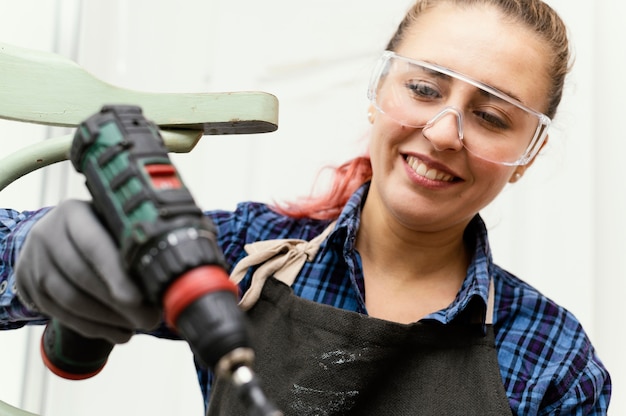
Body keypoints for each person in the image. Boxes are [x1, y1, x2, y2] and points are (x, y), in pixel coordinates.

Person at [0, 0, 612, 414]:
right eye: (423, 88)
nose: (446, 131)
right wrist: (36, 251)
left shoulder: (552, 357)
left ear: (527, 154)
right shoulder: (248, 254)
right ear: (378, 95)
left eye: (492, 116)